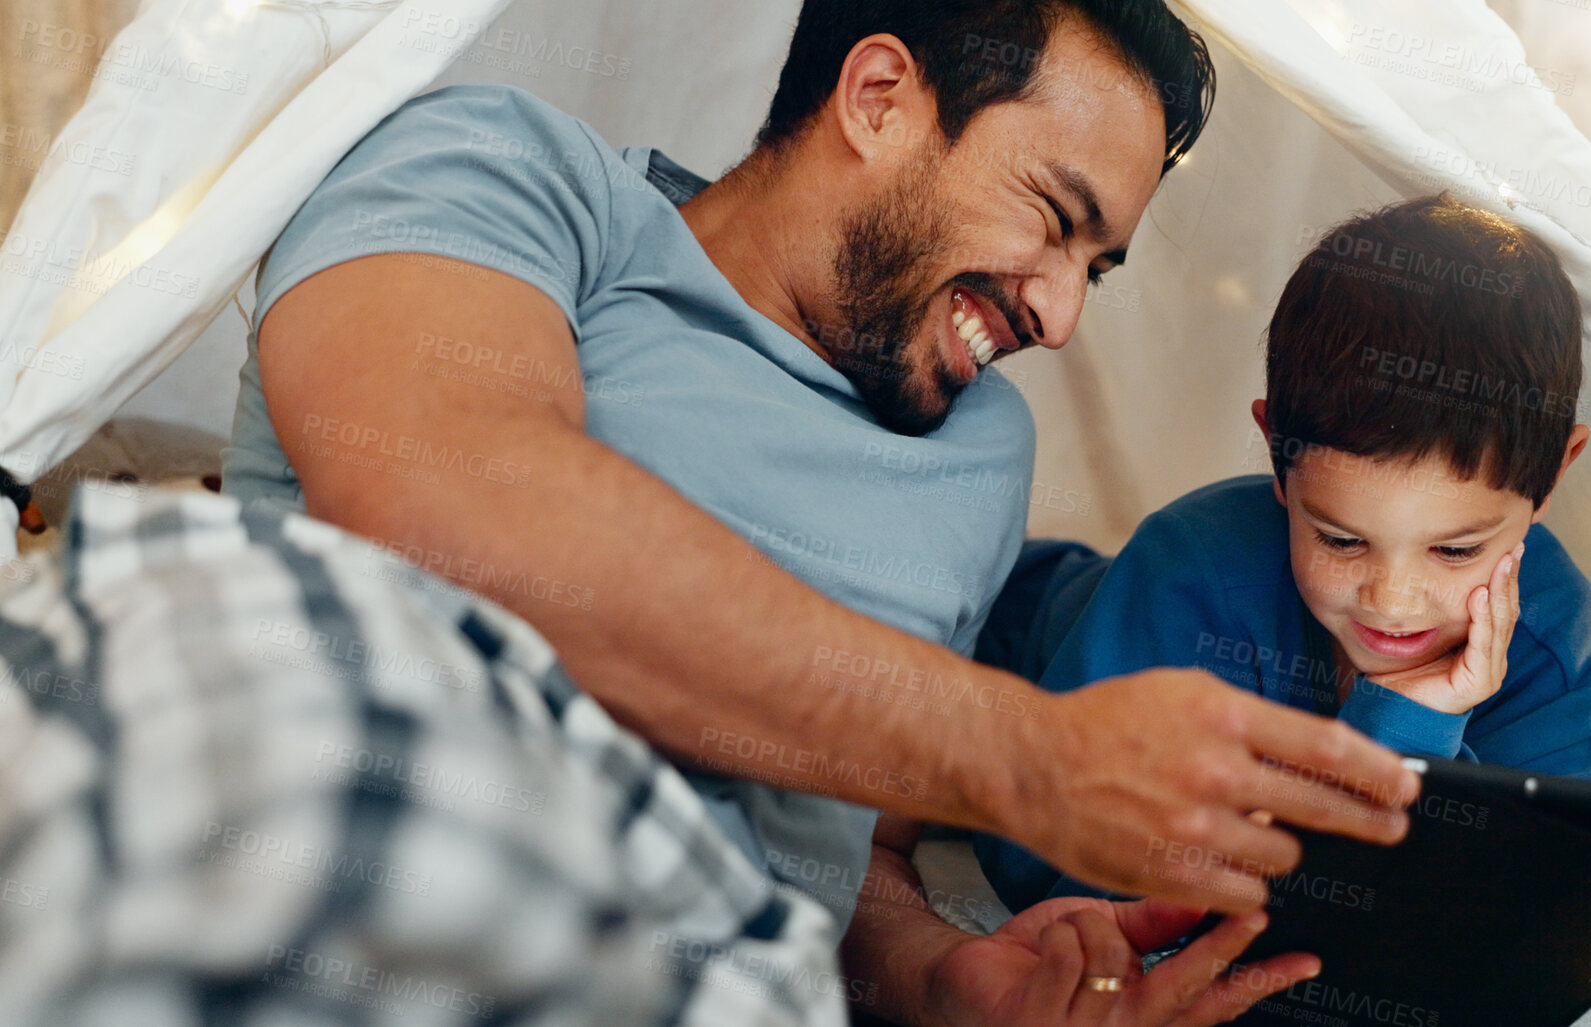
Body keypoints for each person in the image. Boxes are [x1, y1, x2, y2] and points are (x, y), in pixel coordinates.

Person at [217, 1, 1423, 1022]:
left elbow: (845, 848)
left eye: (1095, 270)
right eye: (1056, 220)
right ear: (881, 96)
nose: (1060, 317)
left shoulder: (977, 444)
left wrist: (948, 978)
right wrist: (1026, 757)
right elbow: (441, 506)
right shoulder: (507, 173)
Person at [977, 194, 1591, 912]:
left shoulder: (1552, 636)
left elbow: (1510, 909)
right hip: (989, 618)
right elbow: (1043, 872)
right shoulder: (1189, 570)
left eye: (1456, 549)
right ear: (1276, 455)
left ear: (1555, 475)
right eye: (1341, 539)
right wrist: (1387, 738)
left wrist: (1412, 722)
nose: (1392, 599)